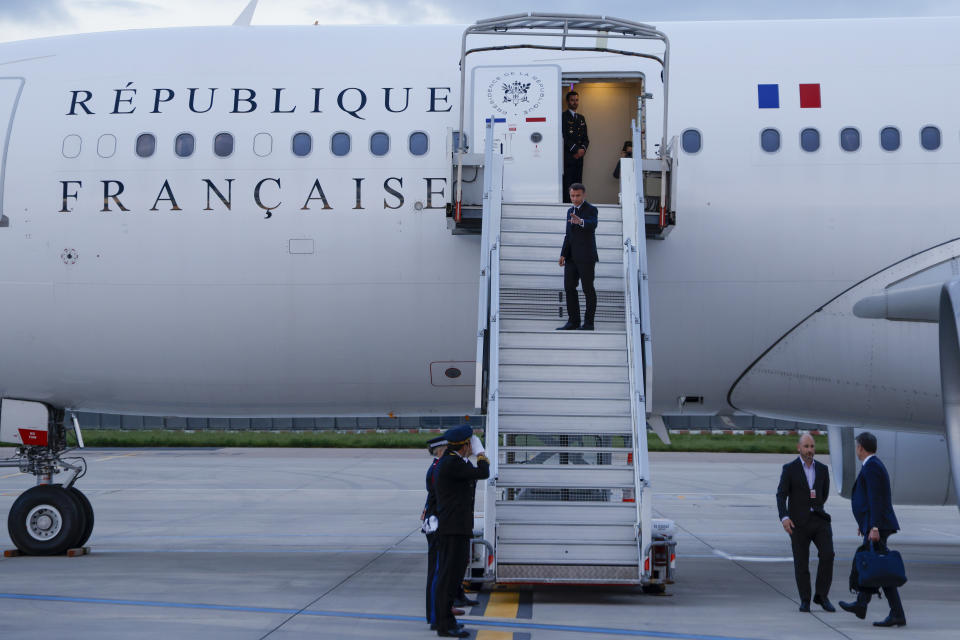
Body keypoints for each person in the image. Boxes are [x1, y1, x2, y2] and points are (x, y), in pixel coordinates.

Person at [839, 432, 907, 627]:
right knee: (874, 564)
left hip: (880, 525)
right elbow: (870, 500)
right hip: (875, 524)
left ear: (861, 447)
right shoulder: (872, 465)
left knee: (879, 567)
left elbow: (875, 499)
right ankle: (863, 605)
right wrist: (866, 525)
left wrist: (874, 526)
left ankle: (894, 613)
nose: (856, 450)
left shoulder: (872, 467)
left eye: (857, 447)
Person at [432, 425, 490, 638]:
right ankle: (444, 624)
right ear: (465, 445)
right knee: (448, 577)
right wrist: (481, 453)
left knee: (453, 576)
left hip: (456, 527)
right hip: (453, 529)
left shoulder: (452, 461)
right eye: (470, 444)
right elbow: (483, 472)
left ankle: (446, 619)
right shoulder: (451, 464)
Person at [422, 436, 478, 629]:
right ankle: (435, 615)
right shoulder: (438, 468)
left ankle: (443, 609)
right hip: (439, 525)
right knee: (438, 573)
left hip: (443, 523)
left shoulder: (443, 465)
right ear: (440, 450)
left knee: (444, 571)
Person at [776, 433, 835, 612]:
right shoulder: (789, 469)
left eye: (812, 447)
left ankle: (821, 596)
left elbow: (823, 494)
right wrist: (784, 517)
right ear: (799, 448)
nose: (810, 450)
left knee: (828, 555)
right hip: (798, 523)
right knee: (801, 563)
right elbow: (781, 495)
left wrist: (815, 507)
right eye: (806, 447)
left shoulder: (823, 470)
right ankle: (805, 599)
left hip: (819, 520)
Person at [557, 183, 599, 331]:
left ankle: (588, 324)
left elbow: (592, 224)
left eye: (577, 196)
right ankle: (573, 322)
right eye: (572, 196)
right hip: (571, 258)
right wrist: (563, 253)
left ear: (584, 195)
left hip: (587, 257)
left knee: (588, 289)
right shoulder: (569, 211)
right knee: (569, 288)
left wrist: (580, 221)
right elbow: (568, 235)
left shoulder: (591, 209)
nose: (574, 198)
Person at [562, 90, 589, 202]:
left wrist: (582, 149)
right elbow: (565, 137)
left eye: (577, 100)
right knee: (568, 184)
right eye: (572, 100)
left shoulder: (581, 118)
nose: (575, 102)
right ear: (567, 102)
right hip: (569, 157)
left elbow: (586, 138)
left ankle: (577, 205)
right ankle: (567, 206)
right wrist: (576, 151)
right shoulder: (563, 116)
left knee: (578, 184)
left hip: (579, 158)